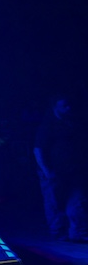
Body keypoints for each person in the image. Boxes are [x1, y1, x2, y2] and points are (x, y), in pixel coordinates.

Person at [33, 94, 88, 242]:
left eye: (69, 105)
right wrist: (46, 171)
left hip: (74, 170)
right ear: (55, 107)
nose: (68, 108)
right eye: (64, 106)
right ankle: (59, 233)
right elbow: (38, 149)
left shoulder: (73, 123)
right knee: (54, 203)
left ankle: (78, 232)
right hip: (54, 172)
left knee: (78, 202)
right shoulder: (48, 126)